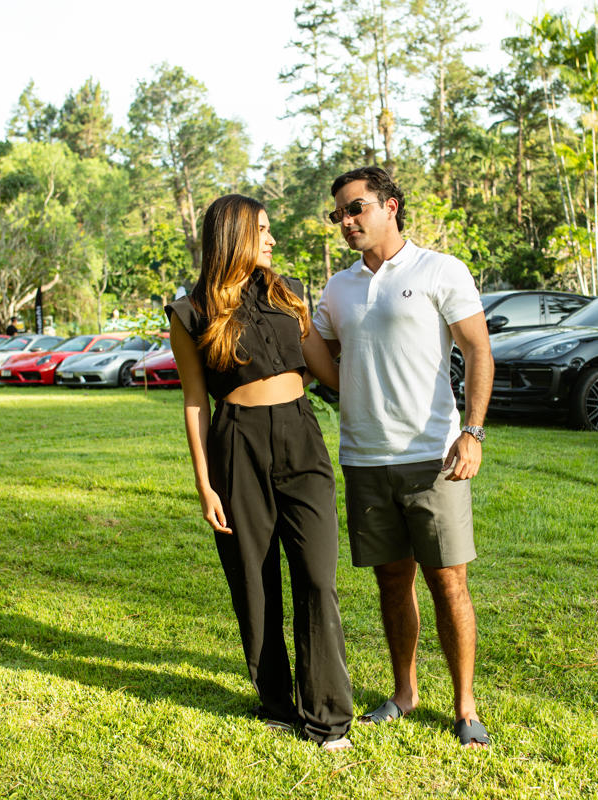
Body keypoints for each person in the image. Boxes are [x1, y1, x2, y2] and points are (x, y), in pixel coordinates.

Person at [312, 166, 494, 748]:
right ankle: (404, 693)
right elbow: (323, 362)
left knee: (448, 582)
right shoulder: (337, 288)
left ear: (390, 206)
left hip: (433, 458)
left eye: (355, 208)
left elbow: (478, 350)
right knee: (392, 581)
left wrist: (473, 432)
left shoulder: (439, 269)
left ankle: (465, 706)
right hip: (364, 458)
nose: (346, 221)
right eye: (338, 214)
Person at [167, 194, 354, 751]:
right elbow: (195, 402)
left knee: (317, 577)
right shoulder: (190, 312)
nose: (272, 239)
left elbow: (329, 373)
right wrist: (205, 484)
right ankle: (277, 703)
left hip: (301, 436)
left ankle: (328, 718)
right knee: (254, 580)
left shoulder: (287, 292)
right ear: (234, 235)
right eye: (263, 230)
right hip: (236, 443)